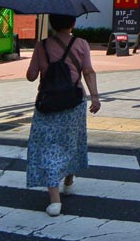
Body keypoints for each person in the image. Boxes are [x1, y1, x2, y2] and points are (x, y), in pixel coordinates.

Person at [26, 14, 101, 217]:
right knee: (71, 142)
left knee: (48, 147)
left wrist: (40, 56)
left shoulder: (42, 46)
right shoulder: (81, 44)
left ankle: (54, 201)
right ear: (73, 23)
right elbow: (88, 71)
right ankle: (68, 182)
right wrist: (95, 97)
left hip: (48, 103)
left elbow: (31, 76)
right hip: (74, 102)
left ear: (51, 23)